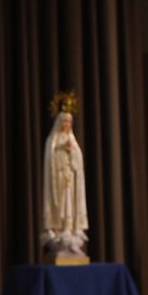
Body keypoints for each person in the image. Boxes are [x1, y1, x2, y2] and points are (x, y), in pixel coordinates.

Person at [42, 107, 88, 255]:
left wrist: (71, 152)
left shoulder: (72, 141)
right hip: (58, 179)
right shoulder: (53, 141)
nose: (67, 124)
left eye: (70, 122)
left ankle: (69, 230)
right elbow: (50, 163)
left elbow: (78, 162)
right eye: (65, 121)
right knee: (60, 205)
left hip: (70, 179)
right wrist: (61, 150)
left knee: (69, 205)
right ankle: (58, 230)